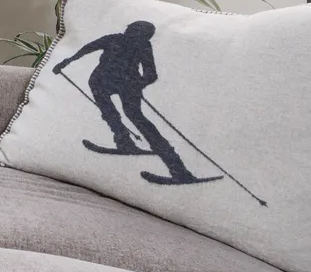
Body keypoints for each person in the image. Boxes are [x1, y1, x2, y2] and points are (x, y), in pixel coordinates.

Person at [53, 21, 206, 186]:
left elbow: (151, 73)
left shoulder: (133, 43)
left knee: (134, 117)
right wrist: (67, 61)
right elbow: (88, 48)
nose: (132, 34)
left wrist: (138, 83)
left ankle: (177, 169)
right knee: (123, 114)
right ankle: (125, 142)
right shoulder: (126, 41)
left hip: (118, 82)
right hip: (107, 81)